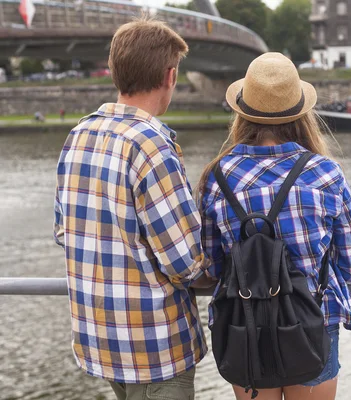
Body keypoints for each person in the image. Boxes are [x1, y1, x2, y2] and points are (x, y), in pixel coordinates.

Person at [53, 18, 210, 400]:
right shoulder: (153, 146)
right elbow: (185, 262)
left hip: (100, 341)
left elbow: (63, 232)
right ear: (170, 76)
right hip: (155, 346)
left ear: (115, 71)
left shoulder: (79, 135)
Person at [196, 52, 351, 400]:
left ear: (242, 114)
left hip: (244, 322)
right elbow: (350, 269)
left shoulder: (217, 177)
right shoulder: (325, 174)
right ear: (302, 113)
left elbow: (212, 267)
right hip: (313, 318)